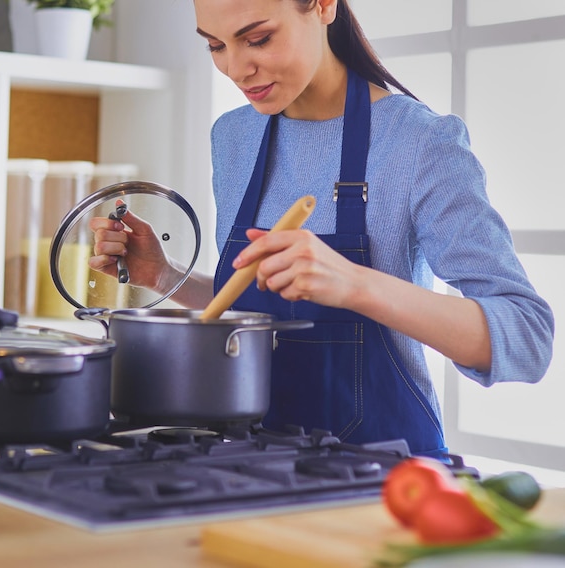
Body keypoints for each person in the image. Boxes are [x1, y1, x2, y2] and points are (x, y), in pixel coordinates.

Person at [89, 0, 554, 458]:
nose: (235, 68)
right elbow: (256, 313)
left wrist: (354, 284)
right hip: (244, 470)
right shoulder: (233, 138)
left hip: (384, 480)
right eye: (215, 46)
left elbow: (527, 338)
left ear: (324, 5)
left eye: (258, 39)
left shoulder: (419, 142)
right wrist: (165, 276)